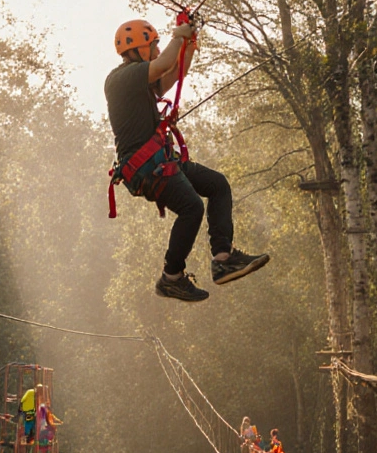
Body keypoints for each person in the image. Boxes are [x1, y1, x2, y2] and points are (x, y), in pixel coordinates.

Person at [105, 17, 269, 301]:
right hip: (145, 166)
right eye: (153, 46)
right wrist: (178, 36)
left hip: (160, 160)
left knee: (217, 185)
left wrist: (189, 48)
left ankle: (223, 257)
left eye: (158, 46)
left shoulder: (140, 84)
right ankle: (171, 277)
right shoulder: (120, 78)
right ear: (137, 50)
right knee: (191, 207)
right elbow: (162, 65)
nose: (157, 51)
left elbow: (171, 74)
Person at [34, 389, 62, 453]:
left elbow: (51, 418)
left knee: (44, 452)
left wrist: (58, 421)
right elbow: (49, 420)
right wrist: (56, 424)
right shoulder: (43, 408)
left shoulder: (42, 408)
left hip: (42, 433)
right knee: (48, 450)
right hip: (45, 433)